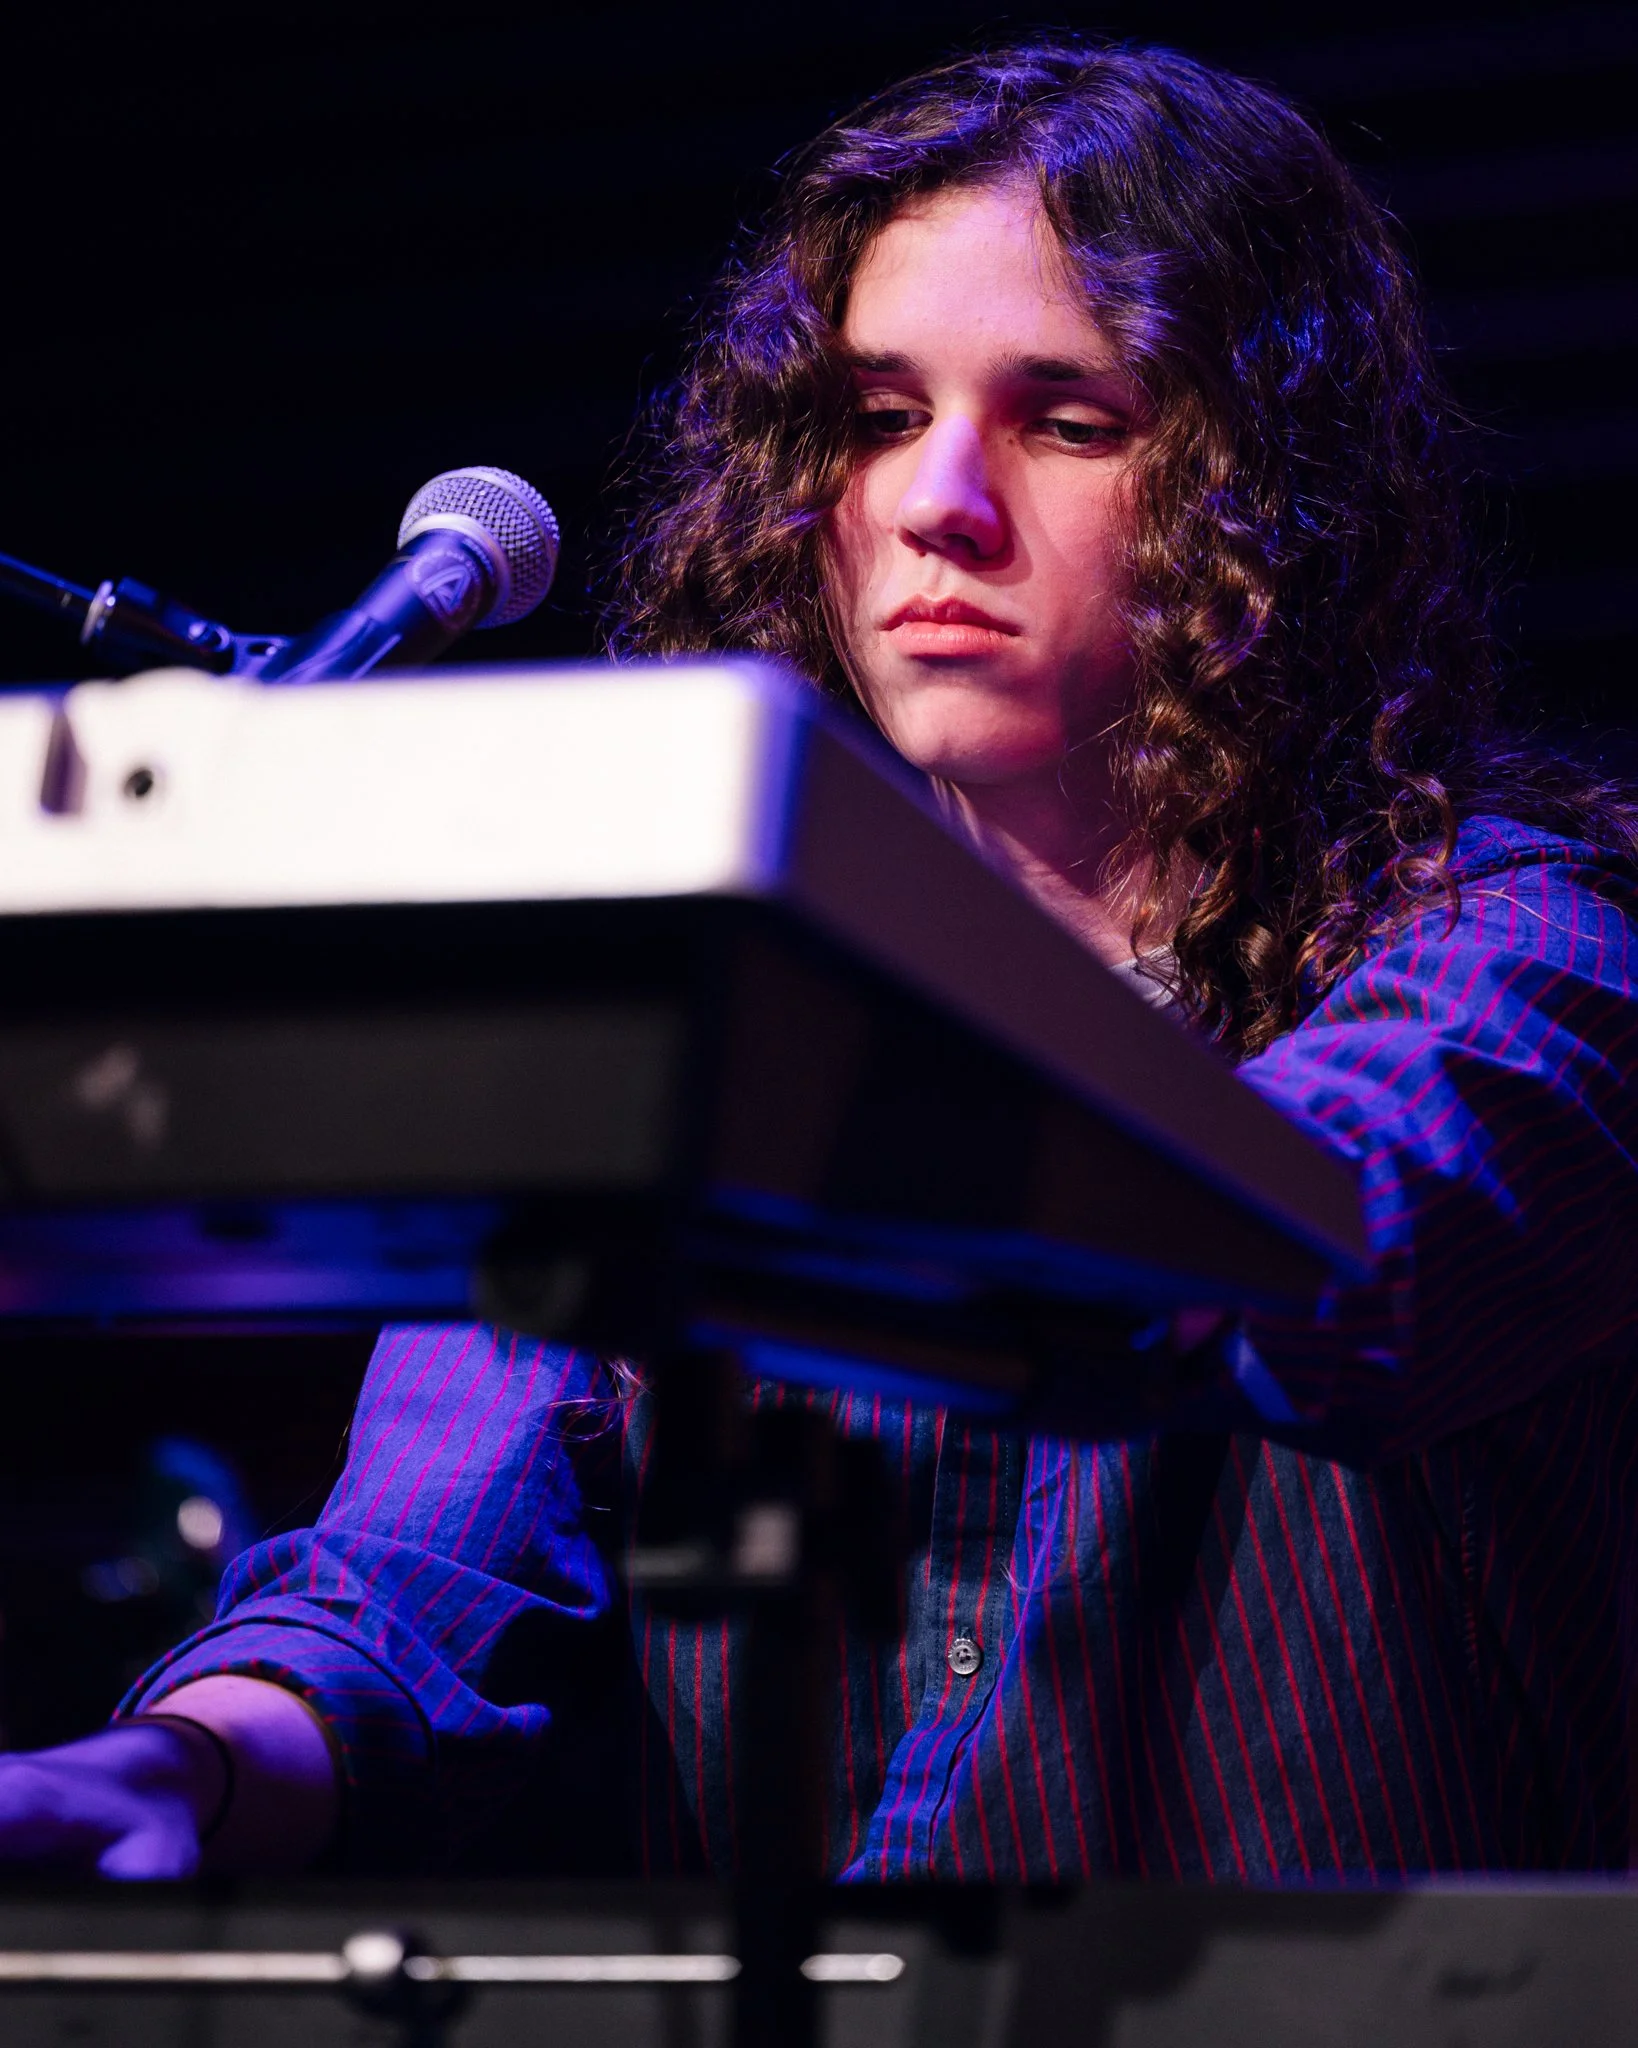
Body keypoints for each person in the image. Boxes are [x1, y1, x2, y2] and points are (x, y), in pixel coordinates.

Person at [5, 37, 1638, 1883]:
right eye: (874, 415)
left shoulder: (1531, 957)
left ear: (1274, 495)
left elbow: (1322, 1250)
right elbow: (408, 1587)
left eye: (1068, 421)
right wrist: (172, 1774)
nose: (937, 503)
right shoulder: (681, 1015)